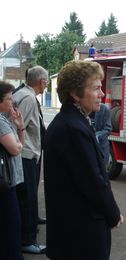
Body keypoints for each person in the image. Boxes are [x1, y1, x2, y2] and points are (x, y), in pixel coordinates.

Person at [44, 60, 123, 260]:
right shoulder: (72, 128)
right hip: (80, 234)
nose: (102, 94)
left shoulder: (73, 122)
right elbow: (93, 181)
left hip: (75, 230)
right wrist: (113, 213)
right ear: (75, 93)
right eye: (96, 88)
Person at [13, 66, 48, 254]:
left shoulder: (25, 94)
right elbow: (18, 126)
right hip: (25, 154)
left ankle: (29, 227)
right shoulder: (27, 98)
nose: (47, 84)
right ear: (41, 81)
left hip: (27, 153)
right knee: (27, 197)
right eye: (47, 81)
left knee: (28, 196)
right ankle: (27, 239)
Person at [0, 80, 25, 260]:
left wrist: (20, 126)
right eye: (9, 99)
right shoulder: (0, 123)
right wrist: (19, 141)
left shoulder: (4, 120)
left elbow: (19, 146)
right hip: (4, 184)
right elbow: (15, 149)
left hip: (8, 182)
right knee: (11, 227)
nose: (12, 102)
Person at [90, 103, 112, 167]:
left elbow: (108, 129)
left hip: (101, 149)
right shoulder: (80, 110)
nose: (101, 94)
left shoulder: (104, 109)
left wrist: (96, 136)